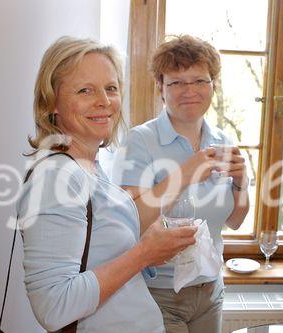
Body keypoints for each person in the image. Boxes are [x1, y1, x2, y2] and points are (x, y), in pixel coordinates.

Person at [17, 36, 197, 333]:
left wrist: (149, 245)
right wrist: (144, 254)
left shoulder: (90, 167)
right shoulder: (57, 179)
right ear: (52, 103)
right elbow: (53, 307)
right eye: (85, 90)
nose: (104, 101)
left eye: (111, 88)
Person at [112, 35, 250, 333]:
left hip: (211, 289)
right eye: (176, 82)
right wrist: (184, 174)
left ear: (214, 84)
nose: (190, 91)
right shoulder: (140, 140)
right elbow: (129, 222)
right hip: (158, 292)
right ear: (161, 88)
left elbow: (236, 221)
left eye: (200, 80)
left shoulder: (223, 142)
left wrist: (242, 182)